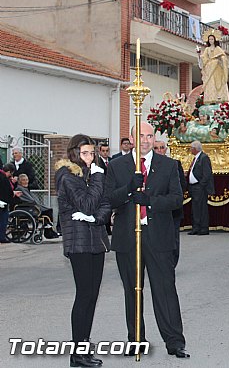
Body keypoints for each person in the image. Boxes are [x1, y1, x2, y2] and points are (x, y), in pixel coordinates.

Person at [105, 122, 189, 358]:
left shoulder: (169, 165)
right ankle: (136, 340)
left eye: (150, 136)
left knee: (165, 290)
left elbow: (176, 199)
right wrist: (128, 191)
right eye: (141, 135)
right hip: (127, 237)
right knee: (133, 290)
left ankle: (175, 341)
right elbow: (109, 199)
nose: (146, 140)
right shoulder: (117, 166)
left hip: (159, 237)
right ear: (131, 138)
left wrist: (150, 200)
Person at [55, 134, 111, 367]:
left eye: (91, 153)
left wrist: (94, 218)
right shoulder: (67, 176)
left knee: (92, 296)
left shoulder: (92, 174)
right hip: (78, 241)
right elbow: (86, 203)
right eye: (84, 153)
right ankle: (77, 354)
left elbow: (105, 203)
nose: (89, 158)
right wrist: (97, 182)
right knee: (84, 295)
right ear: (74, 153)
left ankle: (84, 348)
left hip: (95, 238)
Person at [153, 140, 186, 266]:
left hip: (173, 209)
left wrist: (169, 198)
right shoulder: (147, 164)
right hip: (154, 207)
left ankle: (172, 263)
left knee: (173, 238)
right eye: (156, 148)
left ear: (166, 149)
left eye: (162, 148)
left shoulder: (175, 164)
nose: (159, 150)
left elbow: (182, 185)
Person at [15, 174, 58, 238]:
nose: (26, 181)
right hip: (28, 208)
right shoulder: (20, 189)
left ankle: (48, 229)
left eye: (27, 180)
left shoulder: (24, 188)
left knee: (48, 211)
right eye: (23, 180)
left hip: (30, 206)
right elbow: (30, 200)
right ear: (20, 181)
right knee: (48, 211)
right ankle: (48, 231)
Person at [186, 140, 214, 235]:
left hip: (200, 188)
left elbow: (207, 174)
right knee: (195, 208)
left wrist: (201, 185)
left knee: (201, 208)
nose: (190, 150)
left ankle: (203, 228)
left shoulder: (204, 158)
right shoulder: (196, 158)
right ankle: (196, 227)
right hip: (194, 187)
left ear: (195, 149)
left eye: (191, 148)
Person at [198, 28, 229, 104]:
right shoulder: (207, 49)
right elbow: (204, 60)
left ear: (215, 40)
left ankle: (219, 98)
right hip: (209, 70)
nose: (211, 41)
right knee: (210, 84)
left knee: (218, 85)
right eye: (209, 39)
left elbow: (224, 58)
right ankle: (210, 99)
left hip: (217, 70)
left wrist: (220, 59)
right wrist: (199, 54)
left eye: (212, 39)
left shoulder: (218, 49)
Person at [0, 164, 23, 244]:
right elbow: (7, 192)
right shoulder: (4, 179)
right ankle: (2, 237)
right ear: (9, 171)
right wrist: (14, 193)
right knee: (3, 219)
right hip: (2, 203)